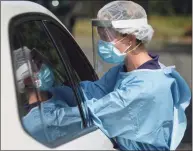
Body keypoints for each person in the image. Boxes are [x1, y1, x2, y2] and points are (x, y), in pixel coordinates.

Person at [14, 1, 191, 150]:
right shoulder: (129, 71)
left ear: (130, 39)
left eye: (106, 37)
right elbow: (91, 92)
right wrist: (49, 86)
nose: (101, 43)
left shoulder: (145, 89)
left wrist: (38, 110)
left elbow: (91, 114)